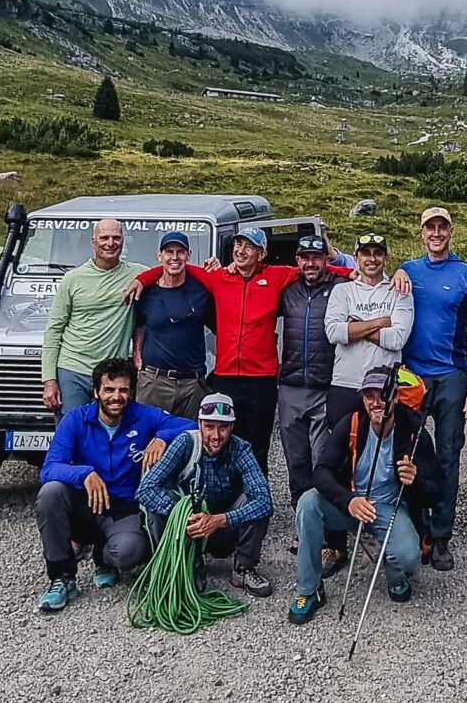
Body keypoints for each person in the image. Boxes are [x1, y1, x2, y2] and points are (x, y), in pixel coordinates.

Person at [129, 227, 352, 475]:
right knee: (220, 442)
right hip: (226, 378)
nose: (241, 251)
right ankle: (223, 504)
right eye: (238, 245)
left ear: (262, 253)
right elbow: (177, 265)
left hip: (262, 379)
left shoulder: (277, 276)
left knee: (258, 447)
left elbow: (314, 268)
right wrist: (143, 279)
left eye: (249, 247)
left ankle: (256, 507)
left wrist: (352, 273)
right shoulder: (218, 277)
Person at [34, 357, 194, 612]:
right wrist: (84, 474)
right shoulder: (76, 420)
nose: (116, 397)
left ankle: (104, 559)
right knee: (50, 493)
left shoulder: (143, 416)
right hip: (84, 505)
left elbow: (192, 427)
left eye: (123, 390)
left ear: (131, 393)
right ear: (96, 391)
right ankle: (61, 578)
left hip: (124, 507)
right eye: (109, 389)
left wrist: (162, 437)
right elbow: (49, 469)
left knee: (130, 552)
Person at [288, 368, 441, 625]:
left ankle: (395, 577)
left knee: (407, 556)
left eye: (382, 395)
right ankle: (309, 588)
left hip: (390, 509)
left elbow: (437, 491)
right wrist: (348, 500)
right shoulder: (351, 423)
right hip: (353, 505)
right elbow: (321, 472)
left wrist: (415, 480)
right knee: (308, 502)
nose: (375, 403)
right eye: (368, 396)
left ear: (394, 398)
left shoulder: (414, 432)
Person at [393, 206, 467, 572]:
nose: (436, 233)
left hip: (451, 375)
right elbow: (368, 277)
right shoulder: (409, 271)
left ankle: (441, 536)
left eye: (442, 227)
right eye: (430, 228)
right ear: (421, 233)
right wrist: (399, 269)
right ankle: (415, 530)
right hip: (413, 377)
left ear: (451, 232)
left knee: (449, 455)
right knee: (410, 455)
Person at [321, 231, 415, 576]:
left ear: (385, 258)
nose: (371, 259)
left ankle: (393, 532)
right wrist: (379, 322)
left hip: (385, 387)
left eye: (378, 253)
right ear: (356, 257)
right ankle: (335, 543)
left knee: (391, 457)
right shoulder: (342, 290)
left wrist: (356, 326)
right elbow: (334, 333)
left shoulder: (399, 291)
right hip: (345, 385)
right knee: (340, 461)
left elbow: (398, 338)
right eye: (365, 253)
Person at [137, 392, 275, 597]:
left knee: (254, 501)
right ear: (199, 424)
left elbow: (265, 502)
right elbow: (146, 489)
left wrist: (218, 520)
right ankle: (173, 565)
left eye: (223, 427)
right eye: (209, 427)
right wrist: (180, 515)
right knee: (157, 506)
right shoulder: (185, 443)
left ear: (232, 427)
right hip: (186, 529)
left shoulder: (241, 449)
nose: (216, 436)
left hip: (222, 529)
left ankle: (243, 568)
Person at [42, 218, 147, 414]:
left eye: (116, 238)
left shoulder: (138, 274)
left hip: (113, 374)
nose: (110, 243)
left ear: (123, 241)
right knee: (72, 434)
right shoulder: (72, 279)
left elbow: (171, 270)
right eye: (104, 237)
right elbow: (53, 331)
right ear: (93, 242)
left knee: (110, 436)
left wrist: (214, 270)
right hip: (73, 370)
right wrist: (49, 381)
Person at [277, 234, 348, 523]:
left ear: (325, 260)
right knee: (296, 460)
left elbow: (370, 277)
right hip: (291, 385)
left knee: (322, 459)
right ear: (297, 261)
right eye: (305, 257)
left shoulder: (341, 287)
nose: (311, 263)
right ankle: (301, 519)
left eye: (316, 258)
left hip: (324, 385)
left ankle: (323, 519)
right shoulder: (287, 289)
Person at [133, 231, 215, 419]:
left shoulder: (202, 290)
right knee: (148, 442)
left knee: (190, 441)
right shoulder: (145, 292)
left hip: (192, 385)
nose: (175, 257)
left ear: (189, 255)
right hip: (154, 381)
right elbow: (139, 325)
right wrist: (137, 356)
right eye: (169, 252)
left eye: (180, 251)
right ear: (160, 255)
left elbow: (220, 327)